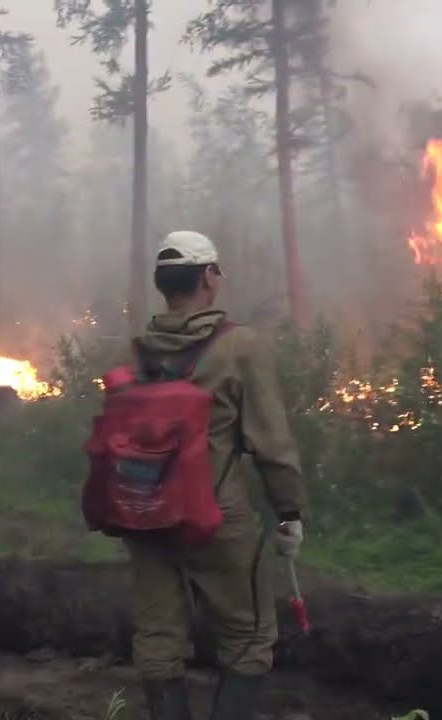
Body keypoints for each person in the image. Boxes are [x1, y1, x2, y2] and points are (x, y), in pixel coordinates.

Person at [128, 230, 306, 720]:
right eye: (218, 270)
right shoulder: (240, 346)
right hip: (215, 513)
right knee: (248, 636)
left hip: (143, 511)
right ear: (208, 276)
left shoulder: (137, 349)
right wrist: (289, 511)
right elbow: (271, 442)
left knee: (159, 637)